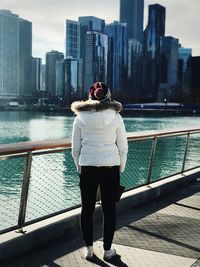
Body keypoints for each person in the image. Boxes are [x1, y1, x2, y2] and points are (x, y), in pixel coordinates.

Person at [71, 82, 128, 260]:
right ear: (108, 96)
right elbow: (123, 146)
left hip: (88, 166)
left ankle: (88, 249)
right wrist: (122, 166)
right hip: (110, 167)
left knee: (86, 209)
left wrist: (79, 166)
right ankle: (108, 250)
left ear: (90, 96)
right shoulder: (116, 117)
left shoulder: (80, 117)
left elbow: (75, 148)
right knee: (108, 210)